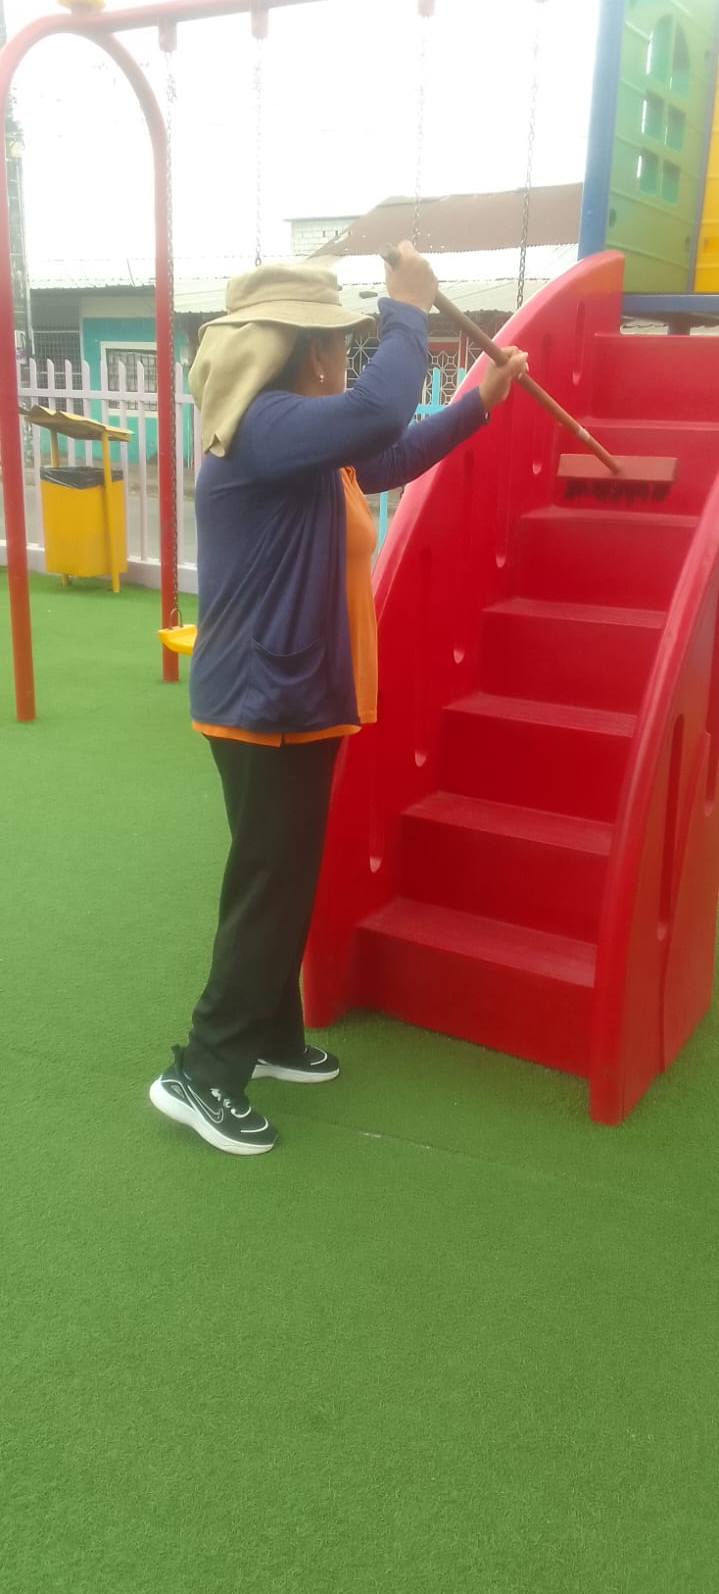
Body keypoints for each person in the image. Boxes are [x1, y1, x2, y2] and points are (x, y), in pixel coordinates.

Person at [149, 242, 527, 1156]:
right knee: (268, 883)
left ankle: (271, 1037)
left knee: (282, 876)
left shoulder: (305, 441)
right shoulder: (265, 425)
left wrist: (478, 402)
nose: (343, 355)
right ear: (303, 349)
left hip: (291, 695)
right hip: (263, 700)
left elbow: (386, 451)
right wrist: (406, 308)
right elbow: (378, 411)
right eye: (336, 342)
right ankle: (203, 1070)